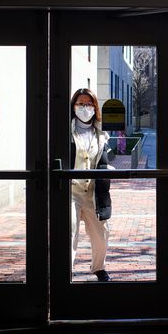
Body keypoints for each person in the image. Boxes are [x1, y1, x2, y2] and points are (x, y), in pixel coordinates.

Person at [70, 88, 113, 282]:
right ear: (73, 106)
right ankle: (65, 271)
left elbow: (104, 160)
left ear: (95, 107)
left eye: (89, 104)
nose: (84, 108)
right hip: (71, 191)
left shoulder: (101, 134)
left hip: (94, 193)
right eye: (80, 103)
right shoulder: (66, 131)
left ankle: (99, 268)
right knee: (69, 231)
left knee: (101, 233)